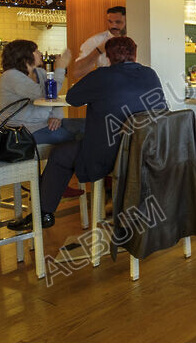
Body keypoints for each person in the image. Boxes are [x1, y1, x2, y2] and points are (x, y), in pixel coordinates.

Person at [9, 36, 166, 231]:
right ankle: (117, 202)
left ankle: (43, 214)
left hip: (112, 156)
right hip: (147, 152)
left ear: (108, 57)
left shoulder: (102, 76)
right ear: (135, 54)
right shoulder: (150, 74)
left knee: (60, 155)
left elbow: (73, 98)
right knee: (88, 134)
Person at [0, 40, 78, 145]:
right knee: (74, 137)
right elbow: (46, 94)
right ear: (25, 56)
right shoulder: (10, 76)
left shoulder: (41, 73)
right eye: (36, 51)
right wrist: (60, 68)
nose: (40, 53)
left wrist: (56, 117)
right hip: (21, 131)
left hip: (45, 124)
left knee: (87, 126)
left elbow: (53, 98)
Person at [68, 5, 126, 80]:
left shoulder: (138, 38)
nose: (113, 26)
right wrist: (98, 50)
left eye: (118, 22)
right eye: (110, 21)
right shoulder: (96, 41)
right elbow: (77, 73)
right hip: (106, 84)